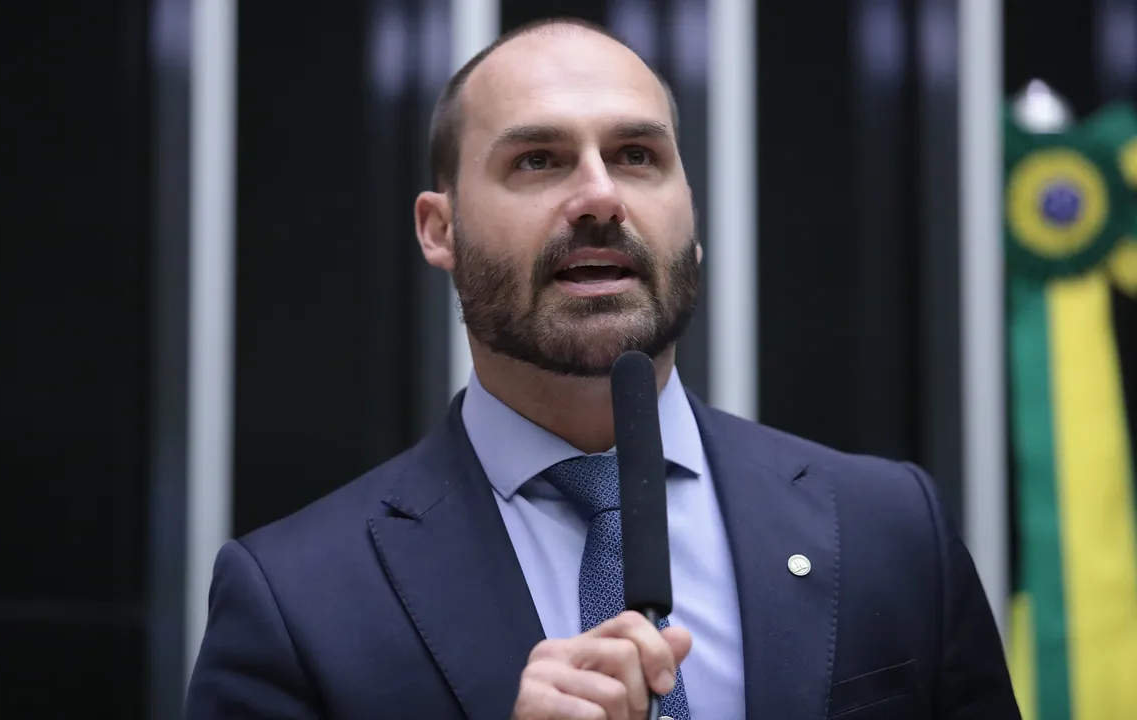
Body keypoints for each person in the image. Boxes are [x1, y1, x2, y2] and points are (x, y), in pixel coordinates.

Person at [186, 17, 1021, 720]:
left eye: (635, 156)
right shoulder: (296, 601)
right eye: (537, 161)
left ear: (691, 225)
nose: (598, 198)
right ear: (439, 230)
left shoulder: (889, 531)